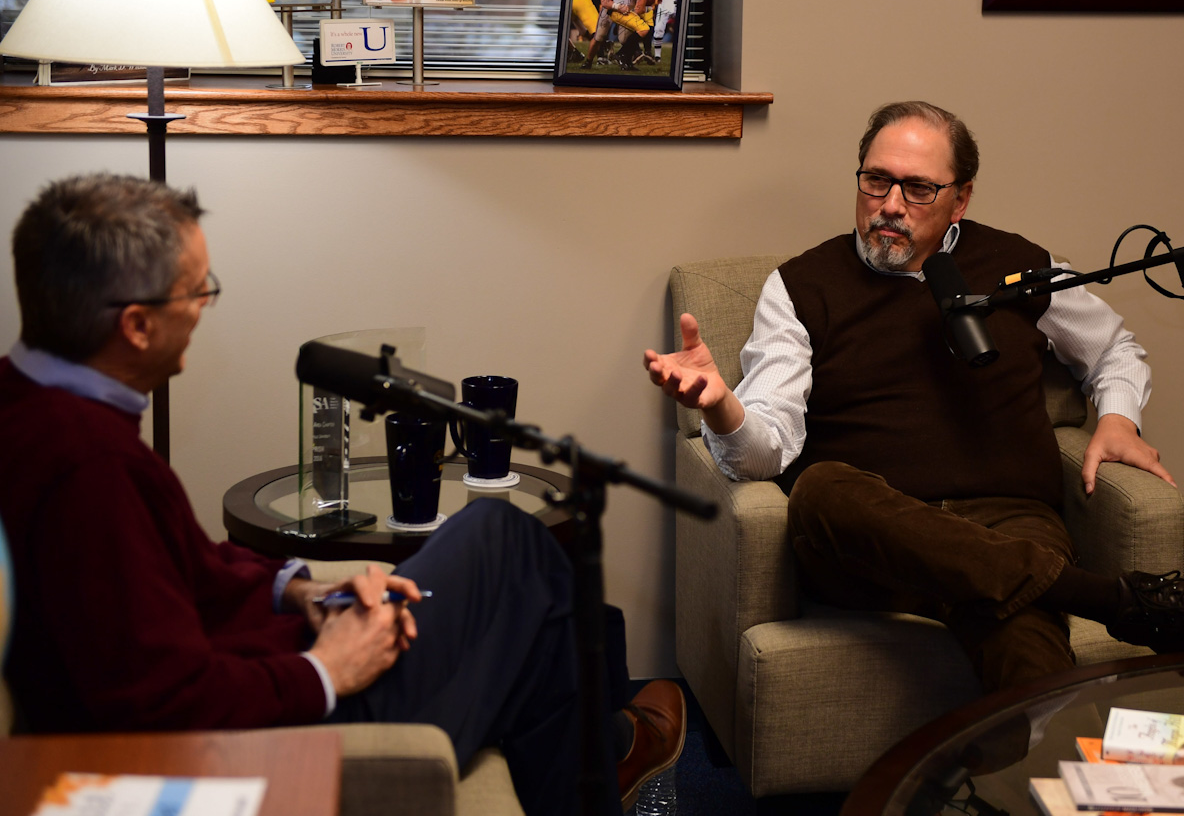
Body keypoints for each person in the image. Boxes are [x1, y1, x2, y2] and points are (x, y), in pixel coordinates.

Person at [0, 174, 684, 816]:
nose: (206, 303)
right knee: (518, 556)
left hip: (274, 657)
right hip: (288, 720)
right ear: (137, 325)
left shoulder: (30, 401)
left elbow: (174, 572)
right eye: (195, 289)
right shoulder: (88, 468)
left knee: (504, 558)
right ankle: (613, 749)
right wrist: (324, 668)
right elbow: (162, 705)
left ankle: (607, 751)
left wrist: (297, 589)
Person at [643, 100, 1184, 694]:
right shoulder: (803, 286)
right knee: (821, 488)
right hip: (868, 537)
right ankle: (1124, 602)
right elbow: (764, 452)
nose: (890, 204)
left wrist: (1117, 418)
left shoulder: (1018, 266)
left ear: (960, 199)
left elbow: (1115, 349)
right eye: (876, 180)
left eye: (918, 187)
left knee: (1034, 675)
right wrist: (721, 405)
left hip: (1009, 522)